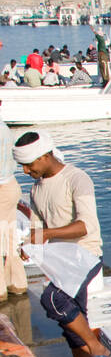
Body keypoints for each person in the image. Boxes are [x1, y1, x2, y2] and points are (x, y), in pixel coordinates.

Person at [11, 129, 111, 357]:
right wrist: (30, 245)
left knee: (53, 299)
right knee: (72, 327)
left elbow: (86, 225)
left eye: (29, 164)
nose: (26, 170)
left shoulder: (77, 178)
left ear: (45, 155)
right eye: (22, 165)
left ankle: (96, 345)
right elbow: (40, 228)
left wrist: (46, 234)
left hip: (85, 254)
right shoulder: (35, 189)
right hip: (61, 260)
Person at [0, 122, 29, 302]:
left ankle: (1, 292)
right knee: (9, 238)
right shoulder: (3, 126)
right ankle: (16, 284)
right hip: (10, 185)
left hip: (2, 188)